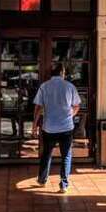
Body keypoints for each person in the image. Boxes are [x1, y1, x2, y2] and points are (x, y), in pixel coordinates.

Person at [33, 63, 81, 192]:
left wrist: (34, 125)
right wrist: (71, 115)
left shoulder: (44, 86)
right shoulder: (70, 86)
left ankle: (42, 180)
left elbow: (38, 107)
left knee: (46, 154)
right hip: (66, 127)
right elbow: (76, 105)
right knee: (66, 155)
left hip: (49, 127)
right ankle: (64, 184)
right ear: (62, 72)